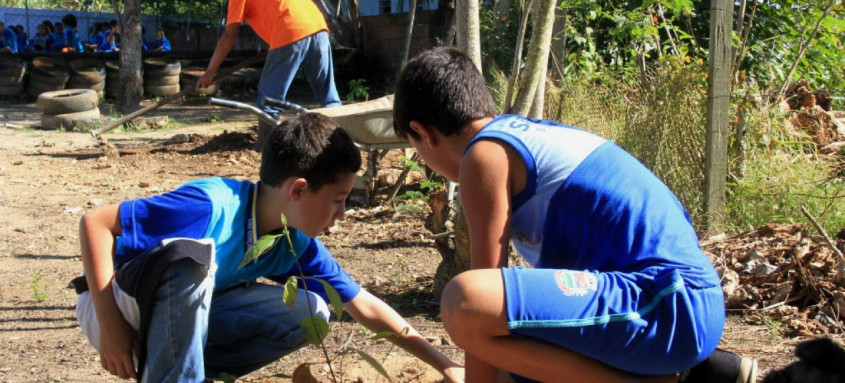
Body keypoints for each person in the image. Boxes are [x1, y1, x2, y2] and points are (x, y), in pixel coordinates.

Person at [392, 46, 758, 383]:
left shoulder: (485, 154)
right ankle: (696, 376)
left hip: (668, 306)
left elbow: (482, 300)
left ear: (423, 133)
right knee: (511, 362)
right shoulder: (521, 136)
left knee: (464, 302)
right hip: (675, 307)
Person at [73, 113, 465, 382]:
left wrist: (446, 365)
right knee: (193, 258)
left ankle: (180, 372)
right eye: (338, 198)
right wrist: (111, 328)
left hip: (180, 320)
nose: (343, 214)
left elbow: (362, 304)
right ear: (298, 189)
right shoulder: (210, 206)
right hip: (114, 303)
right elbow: (96, 223)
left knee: (312, 309)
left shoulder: (291, 241)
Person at [197, 0, 342, 150]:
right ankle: (344, 140)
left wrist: (209, 72)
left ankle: (265, 147)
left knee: (269, 98)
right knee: (328, 95)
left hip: (289, 27)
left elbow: (228, 35)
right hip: (317, 26)